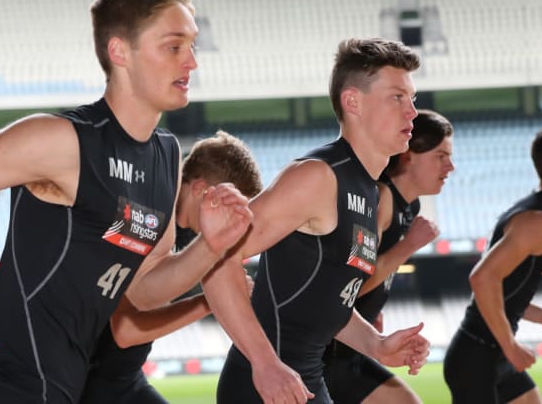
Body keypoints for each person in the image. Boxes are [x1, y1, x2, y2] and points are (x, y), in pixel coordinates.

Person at [0, 0, 252, 404]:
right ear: (120, 51)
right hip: (6, 389)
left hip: (66, 391)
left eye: (192, 45)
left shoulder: (166, 157)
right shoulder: (64, 141)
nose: (192, 61)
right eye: (173, 46)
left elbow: (143, 290)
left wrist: (210, 247)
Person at [202, 38, 431, 404]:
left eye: (413, 99)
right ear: (352, 101)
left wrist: (377, 344)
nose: (412, 113)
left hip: (304, 379)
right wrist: (264, 363)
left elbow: (328, 300)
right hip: (264, 387)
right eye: (397, 97)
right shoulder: (317, 177)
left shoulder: (368, 191)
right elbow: (212, 257)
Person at [79, 131, 263, 404]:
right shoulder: (143, 218)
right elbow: (125, 331)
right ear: (200, 189)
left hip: (124, 381)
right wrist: (208, 303)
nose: (231, 221)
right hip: (92, 387)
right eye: (229, 207)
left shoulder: (178, 227)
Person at [443, 124, 542, 404]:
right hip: (477, 358)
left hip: (490, 354)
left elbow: (502, 291)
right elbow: (482, 279)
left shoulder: (535, 214)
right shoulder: (536, 221)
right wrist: (510, 346)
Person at [323, 109, 454, 404]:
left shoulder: (410, 207)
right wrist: (409, 246)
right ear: (408, 155)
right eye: (441, 156)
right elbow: (350, 286)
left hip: (353, 351)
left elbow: (369, 280)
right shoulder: (379, 198)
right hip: (329, 355)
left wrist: (372, 310)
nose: (451, 167)